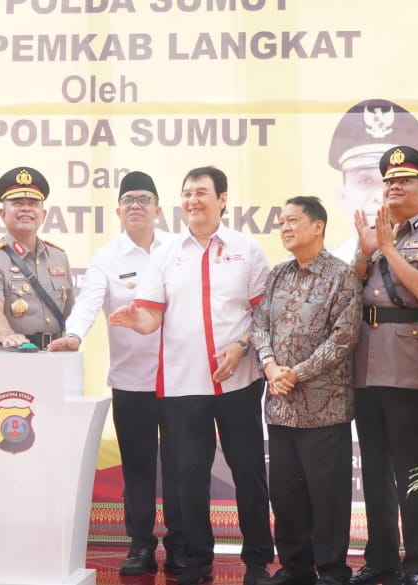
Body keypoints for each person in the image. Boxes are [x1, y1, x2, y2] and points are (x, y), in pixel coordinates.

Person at [109, 166, 274, 585]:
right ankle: (197, 561)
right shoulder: (166, 252)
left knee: (249, 471)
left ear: (222, 199)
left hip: (237, 381)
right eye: (186, 194)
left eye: (202, 192)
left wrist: (241, 346)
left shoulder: (246, 249)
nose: (193, 200)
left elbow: (266, 316)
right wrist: (134, 320)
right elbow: (150, 318)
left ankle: (256, 561)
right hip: (183, 386)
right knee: (188, 478)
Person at [47, 171, 181, 575]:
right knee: (138, 469)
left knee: (181, 467)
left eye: (144, 198)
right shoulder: (107, 258)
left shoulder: (179, 249)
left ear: (158, 209)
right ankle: (140, 545)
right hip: (131, 382)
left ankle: (182, 545)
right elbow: (88, 303)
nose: (136, 205)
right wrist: (73, 335)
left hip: (181, 380)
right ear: (119, 211)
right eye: (128, 200)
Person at [349, 146, 418, 585]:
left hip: (410, 368)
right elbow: (350, 292)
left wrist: (389, 250)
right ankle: (380, 559)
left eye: (406, 181)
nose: (394, 186)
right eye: (389, 181)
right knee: (373, 470)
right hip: (366, 366)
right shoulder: (372, 233)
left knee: (412, 473)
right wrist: (364, 254)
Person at [251, 196, 362, 585]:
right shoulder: (278, 274)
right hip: (281, 409)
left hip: (324, 409)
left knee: (327, 499)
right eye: (281, 221)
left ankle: (331, 571)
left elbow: (343, 339)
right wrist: (269, 366)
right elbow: (259, 324)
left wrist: (295, 373)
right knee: (286, 497)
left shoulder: (341, 275)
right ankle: (295, 568)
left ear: (318, 226)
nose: (284, 227)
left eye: (293, 220)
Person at [0, 166, 74, 350]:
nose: (26, 209)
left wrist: (73, 338)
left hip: (53, 357)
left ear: (43, 214)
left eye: (33, 203)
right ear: (2, 214)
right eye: (17, 203)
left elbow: (70, 313)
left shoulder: (59, 257)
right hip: (7, 356)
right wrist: (7, 335)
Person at [327, 99, 418, 261]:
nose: (379, 196)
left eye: (392, 183)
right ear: (342, 195)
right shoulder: (323, 268)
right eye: (365, 181)